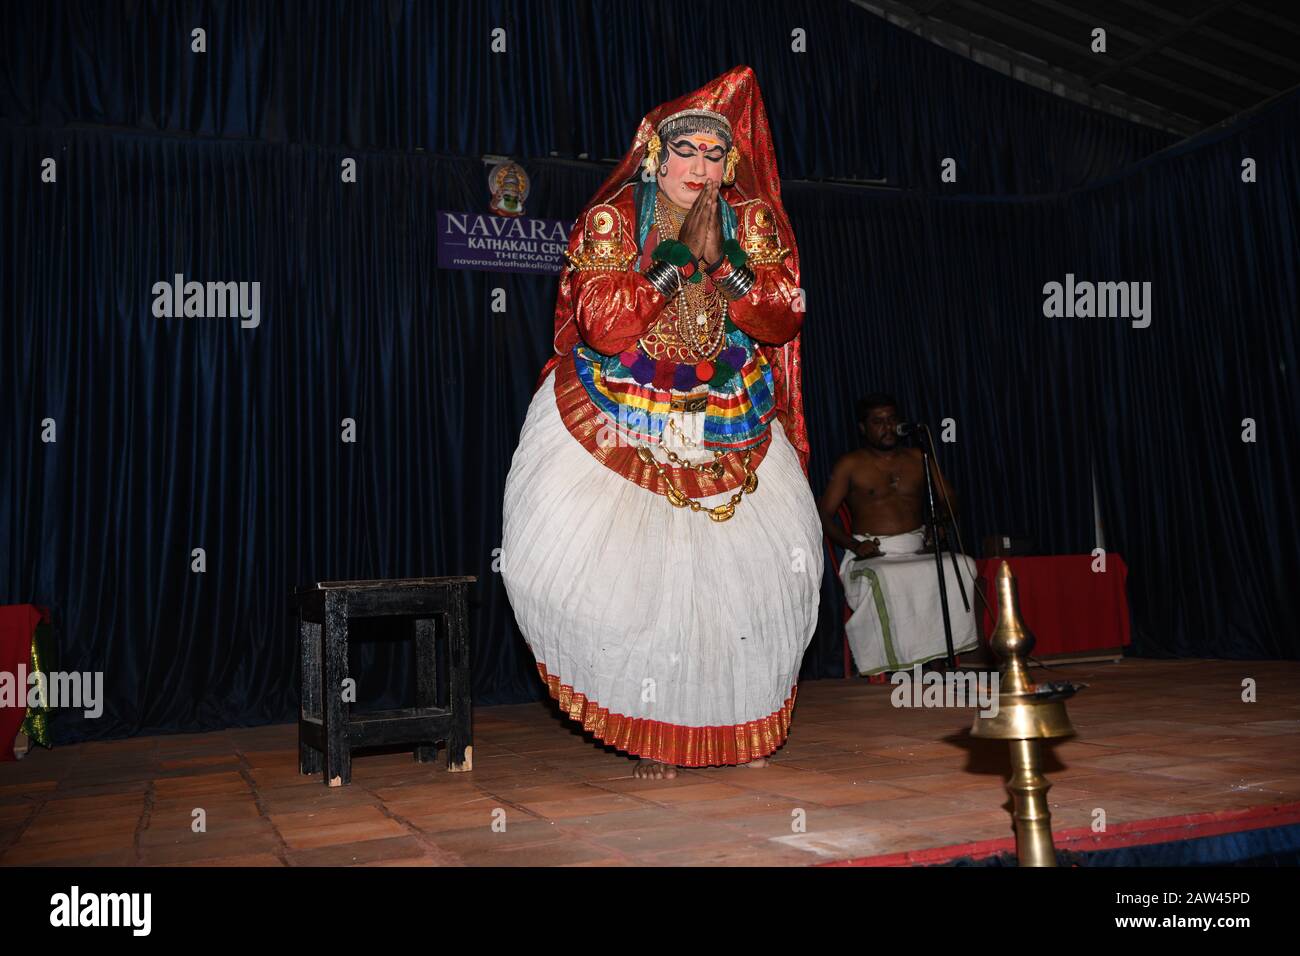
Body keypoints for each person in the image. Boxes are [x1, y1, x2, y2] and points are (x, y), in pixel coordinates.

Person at [501, 66, 821, 779]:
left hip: (728, 411)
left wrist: (729, 268)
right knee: (630, 580)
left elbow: (785, 313)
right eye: (687, 152)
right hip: (623, 407)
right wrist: (678, 266)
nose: (700, 167)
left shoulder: (752, 219)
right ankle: (655, 730)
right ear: (656, 153)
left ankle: (737, 728)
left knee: (757, 579)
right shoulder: (615, 217)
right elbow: (605, 327)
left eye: (715, 155)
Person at [818, 394, 978, 675]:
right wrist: (853, 545)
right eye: (878, 422)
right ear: (863, 428)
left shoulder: (919, 457)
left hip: (917, 547)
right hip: (873, 554)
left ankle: (939, 654)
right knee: (890, 578)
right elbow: (821, 515)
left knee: (964, 566)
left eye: (892, 420)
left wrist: (939, 522)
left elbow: (950, 499)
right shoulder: (850, 464)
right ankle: (899, 662)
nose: (887, 427)